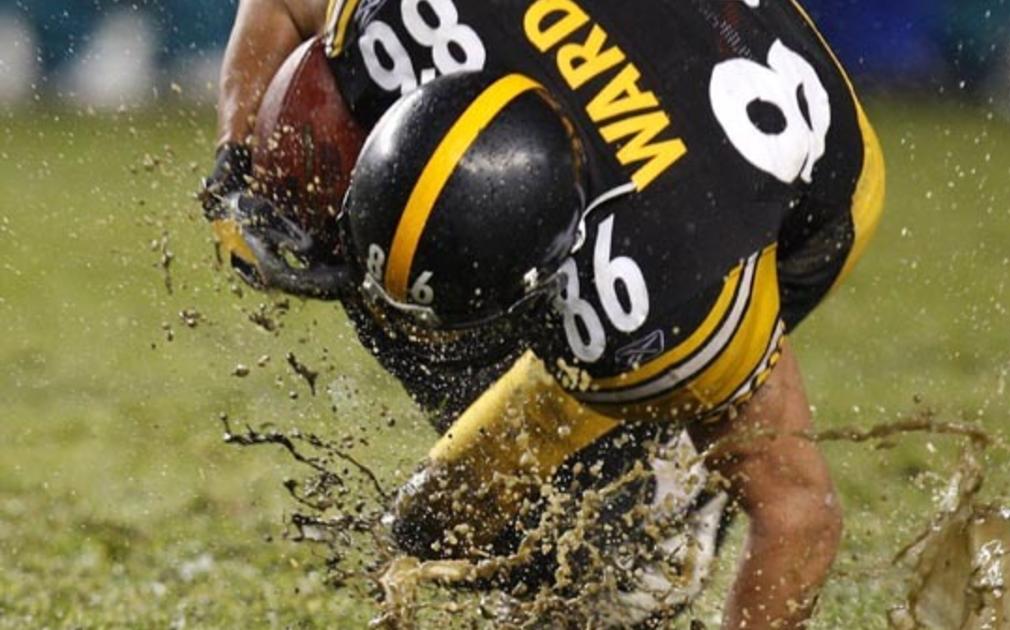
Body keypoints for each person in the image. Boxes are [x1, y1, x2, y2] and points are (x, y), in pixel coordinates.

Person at [201, 0, 885, 626]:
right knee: (439, 514)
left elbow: (800, 511)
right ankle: (619, 486)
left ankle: (664, 491)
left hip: (797, 204)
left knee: (507, 525)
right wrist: (237, 156)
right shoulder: (412, 17)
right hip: (617, 71)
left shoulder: (662, 275)